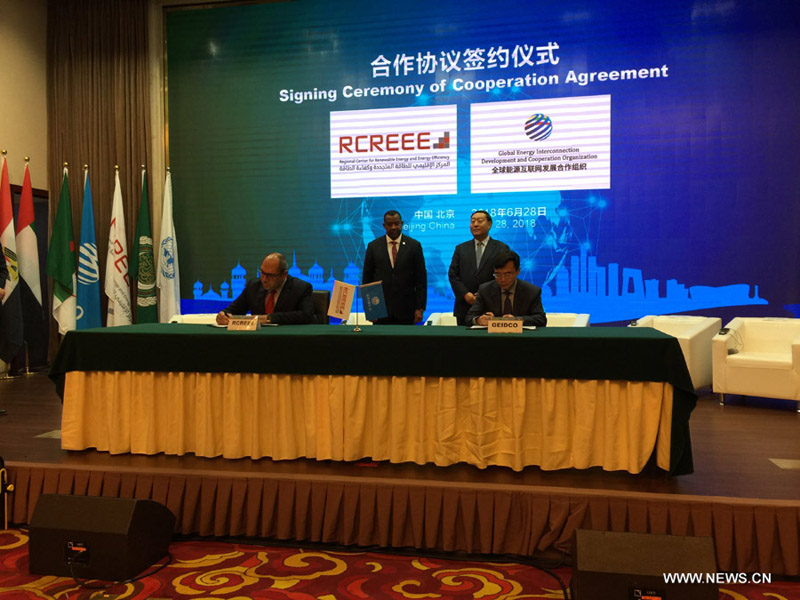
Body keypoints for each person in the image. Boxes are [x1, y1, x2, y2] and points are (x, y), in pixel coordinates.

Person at [362, 210, 427, 324]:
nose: (393, 227)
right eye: (389, 224)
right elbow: (367, 279)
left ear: (401, 223)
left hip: (407, 309)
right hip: (380, 309)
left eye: (396, 224)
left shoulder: (414, 246)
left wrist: (420, 308)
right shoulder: (373, 246)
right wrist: (370, 309)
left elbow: (421, 280)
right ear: (384, 225)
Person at [216, 252, 314, 325]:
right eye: (262, 273)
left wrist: (269, 318)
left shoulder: (300, 288)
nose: (264, 279)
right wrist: (224, 314)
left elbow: (306, 315)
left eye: (270, 275)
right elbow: (234, 309)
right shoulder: (253, 286)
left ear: (284, 275)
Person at [448, 210, 509, 325]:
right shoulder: (461, 248)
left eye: (480, 221)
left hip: (492, 306)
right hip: (465, 306)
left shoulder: (501, 248)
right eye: (473, 221)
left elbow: (505, 275)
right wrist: (466, 294)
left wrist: (484, 294)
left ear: (489, 224)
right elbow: (453, 274)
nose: (475, 224)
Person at [465, 249, 547, 327]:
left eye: (508, 274)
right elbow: (469, 317)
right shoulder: (485, 290)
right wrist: (479, 320)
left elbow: (541, 319)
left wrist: (518, 320)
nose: (503, 279)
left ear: (518, 271)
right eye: (498, 275)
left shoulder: (531, 291)